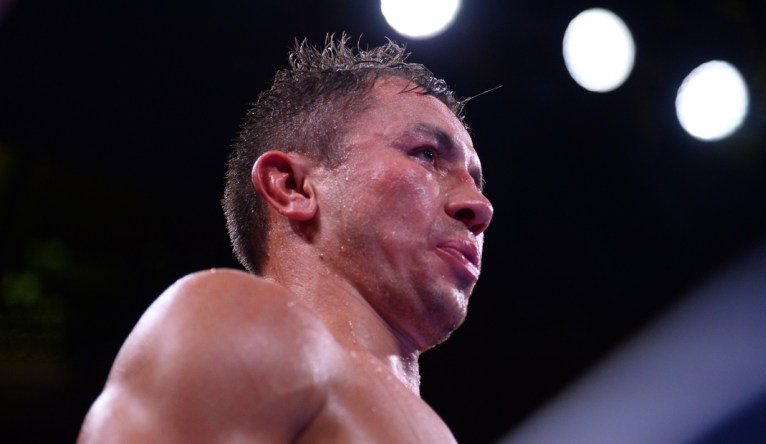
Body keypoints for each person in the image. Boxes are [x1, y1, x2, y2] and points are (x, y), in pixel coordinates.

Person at [78, 34, 493, 443]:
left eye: (477, 181)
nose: (480, 206)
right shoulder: (244, 324)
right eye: (426, 154)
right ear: (292, 186)